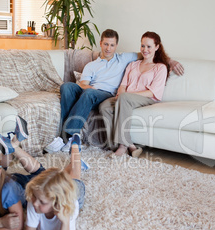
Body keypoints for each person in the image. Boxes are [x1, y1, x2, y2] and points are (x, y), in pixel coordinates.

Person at [56, 29, 184, 152]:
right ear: (100, 43)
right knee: (66, 87)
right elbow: (83, 84)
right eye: (105, 44)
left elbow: (149, 54)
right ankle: (62, 138)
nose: (108, 48)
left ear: (116, 46)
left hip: (106, 94)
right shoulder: (91, 65)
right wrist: (91, 88)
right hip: (91, 91)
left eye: (112, 45)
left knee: (89, 94)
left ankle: (70, 137)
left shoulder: (124, 58)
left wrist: (170, 61)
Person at [99, 31, 171, 157]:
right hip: (126, 97)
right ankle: (120, 144)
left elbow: (153, 92)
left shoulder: (160, 67)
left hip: (146, 99)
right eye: (143, 46)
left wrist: (127, 95)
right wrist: (120, 95)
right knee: (104, 106)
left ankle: (122, 146)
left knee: (125, 98)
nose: (145, 49)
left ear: (157, 47)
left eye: (149, 46)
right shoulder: (133, 64)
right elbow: (122, 85)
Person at [24, 133, 85, 230]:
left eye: (42, 202)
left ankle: (75, 148)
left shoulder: (69, 206)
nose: (35, 203)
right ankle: (64, 171)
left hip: (74, 192)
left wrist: (65, 221)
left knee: (76, 177)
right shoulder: (35, 200)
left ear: (57, 202)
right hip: (57, 190)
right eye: (35, 198)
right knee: (58, 179)